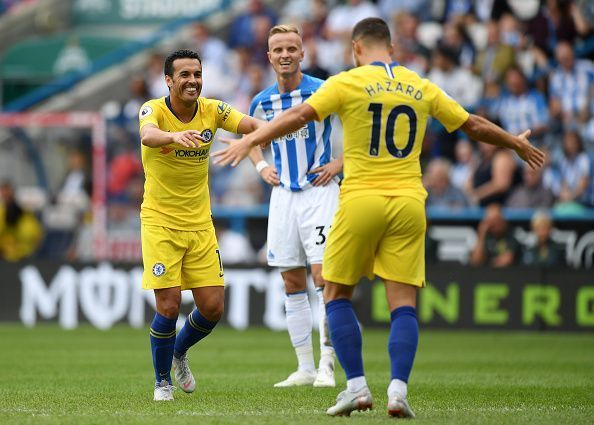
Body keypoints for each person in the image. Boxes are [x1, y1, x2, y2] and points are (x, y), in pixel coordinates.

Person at [213, 17, 545, 418]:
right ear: (393, 48)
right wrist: (513, 142)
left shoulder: (346, 82)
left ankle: (355, 387)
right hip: (408, 203)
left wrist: (250, 139)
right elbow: (471, 124)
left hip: (361, 200)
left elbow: (299, 116)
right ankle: (398, 390)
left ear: (356, 48)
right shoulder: (419, 84)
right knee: (402, 303)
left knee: (333, 293)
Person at [138, 49, 262, 401]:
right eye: (185, 75)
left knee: (212, 308)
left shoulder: (213, 110)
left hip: (200, 224)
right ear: (168, 80)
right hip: (160, 222)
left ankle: (178, 351)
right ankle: (162, 382)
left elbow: (250, 125)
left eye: (197, 74)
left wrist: (268, 132)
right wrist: (173, 137)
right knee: (169, 305)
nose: (192, 80)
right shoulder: (154, 109)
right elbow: (148, 135)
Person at [246, 24, 342, 388]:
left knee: (323, 277)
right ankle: (304, 367)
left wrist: (339, 163)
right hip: (283, 195)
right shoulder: (262, 101)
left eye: (291, 48)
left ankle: (328, 365)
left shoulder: (324, 92)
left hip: (320, 192)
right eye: (278, 50)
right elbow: (249, 136)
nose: (285, 54)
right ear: (269, 57)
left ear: (303, 53)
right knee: (290, 278)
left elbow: (363, 126)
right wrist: (261, 165)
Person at [469, 203, 519, 268]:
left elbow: (506, 261)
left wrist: (487, 262)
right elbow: (475, 262)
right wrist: (481, 234)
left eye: (496, 220)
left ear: (502, 220)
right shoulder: (485, 237)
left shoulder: (511, 235)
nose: (494, 224)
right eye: (490, 221)